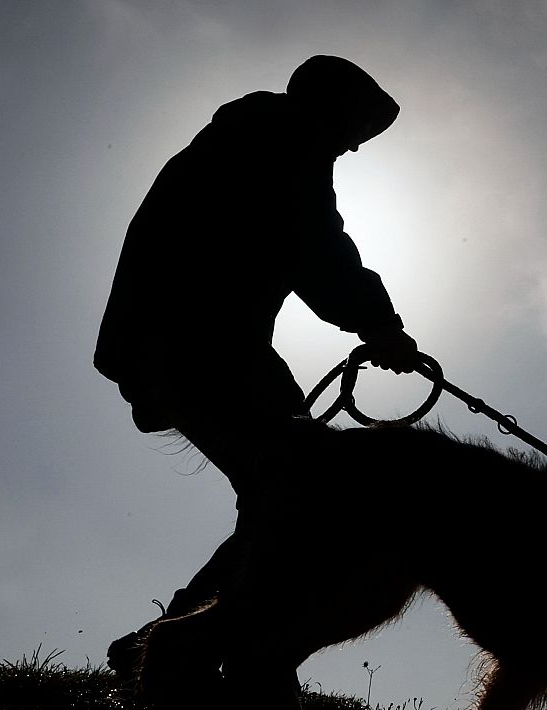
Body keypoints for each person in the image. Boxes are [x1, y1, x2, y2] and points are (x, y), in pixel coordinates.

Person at [97, 55, 421, 676]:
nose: (352, 150)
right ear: (334, 110)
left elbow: (307, 246)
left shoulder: (248, 138)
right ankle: (187, 655)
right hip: (199, 344)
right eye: (356, 133)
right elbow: (319, 248)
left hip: (196, 344)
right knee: (306, 489)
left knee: (295, 492)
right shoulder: (283, 143)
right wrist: (380, 325)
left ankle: (177, 645)